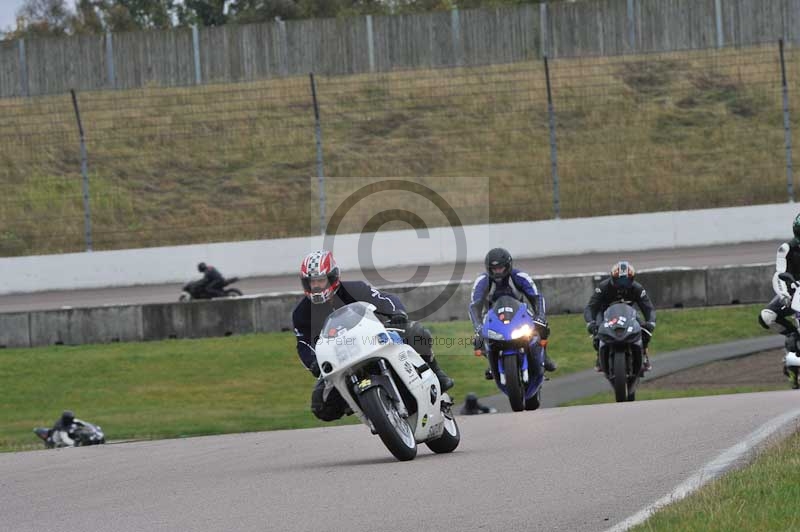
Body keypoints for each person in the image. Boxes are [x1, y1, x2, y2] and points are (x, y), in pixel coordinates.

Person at [292, 249, 454, 422]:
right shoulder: (301, 313)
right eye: (311, 281)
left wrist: (396, 313)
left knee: (416, 332)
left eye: (320, 280)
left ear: (332, 277)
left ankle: (436, 372)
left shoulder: (355, 289)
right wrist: (313, 362)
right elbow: (303, 344)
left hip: (374, 339)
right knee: (321, 406)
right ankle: (362, 402)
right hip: (340, 357)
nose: (315, 286)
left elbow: (383, 298)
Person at [469, 247, 557, 380]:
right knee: (478, 340)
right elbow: (474, 306)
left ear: (508, 266)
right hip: (493, 317)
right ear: (488, 268)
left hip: (520, 313)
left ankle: (543, 356)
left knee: (541, 327)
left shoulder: (520, 277)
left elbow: (537, 297)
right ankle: (492, 362)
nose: (498, 271)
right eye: (494, 269)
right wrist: (478, 326)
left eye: (501, 268)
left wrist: (540, 316)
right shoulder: (482, 281)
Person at [584, 261, 656, 372]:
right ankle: (599, 355)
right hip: (605, 314)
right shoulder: (603, 287)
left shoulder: (637, 288)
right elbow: (591, 307)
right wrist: (590, 322)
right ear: (613, 278)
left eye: (626, 280)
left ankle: (644, 354)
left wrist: (651, 322)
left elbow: (648, 308)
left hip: (629, 313)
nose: (623, 284)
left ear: (632, 279)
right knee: (596, 331)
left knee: (645, 331)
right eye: (619, 280)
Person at [759, 214, 800, 352]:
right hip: (794, 292)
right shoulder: (786, 249)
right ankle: (793, 334)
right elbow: (779, 275)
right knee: (767, 316)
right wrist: (784, 294)